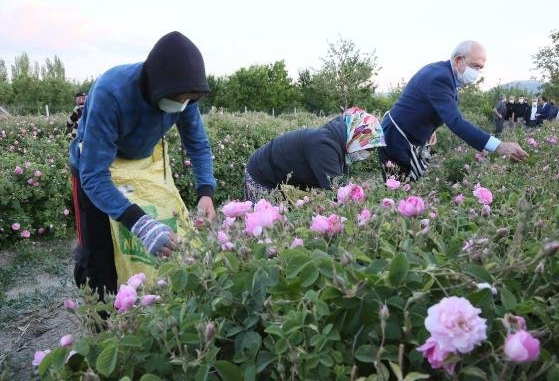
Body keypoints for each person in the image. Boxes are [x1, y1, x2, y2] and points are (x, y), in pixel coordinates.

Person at [69, 31, 216, 300]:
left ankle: (149, 303)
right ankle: (103, 319)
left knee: (159, 233)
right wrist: (138, 222)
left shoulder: (184, 98)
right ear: (156, 86)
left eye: (188, 100)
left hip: (142, 163)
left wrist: (206, 191)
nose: (182, 104)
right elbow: (93, 175)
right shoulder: (111, 92)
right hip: (97, 166)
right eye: (178, 98)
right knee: (99, 253)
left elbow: (198, 144)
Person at [378, 41, 528, 180]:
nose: (477, 72)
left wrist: (431, 128)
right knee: (401, 188)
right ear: (458, 60)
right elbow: (456, 122)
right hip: (397, 138)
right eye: (474, 66)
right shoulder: (440, 77)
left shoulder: (445, 74)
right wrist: (499, 146)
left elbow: (422, 101)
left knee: (414, 185)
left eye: (480, 68)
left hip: (407, 136)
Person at [244, 107, 386, 202]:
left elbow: (340, 183)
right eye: (368, 148)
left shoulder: (336, 144)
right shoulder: (325, 146)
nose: (368, 153)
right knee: (264, 227)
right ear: (356, 137)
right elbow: (336, 191)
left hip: (275, 176)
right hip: (261, 175)